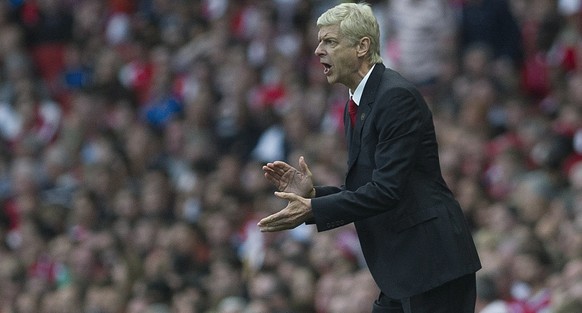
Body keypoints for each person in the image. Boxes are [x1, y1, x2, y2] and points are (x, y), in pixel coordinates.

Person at [258, 3, 481, 313]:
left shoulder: (394, 97)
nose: (318, 51)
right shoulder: (358, 103)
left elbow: (387, 190)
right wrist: (313, 195)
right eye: (319, 41)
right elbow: (368, 187)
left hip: (432, 266)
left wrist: (314, 208)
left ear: (362, 46)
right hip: (405, 270)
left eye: (330, 42)